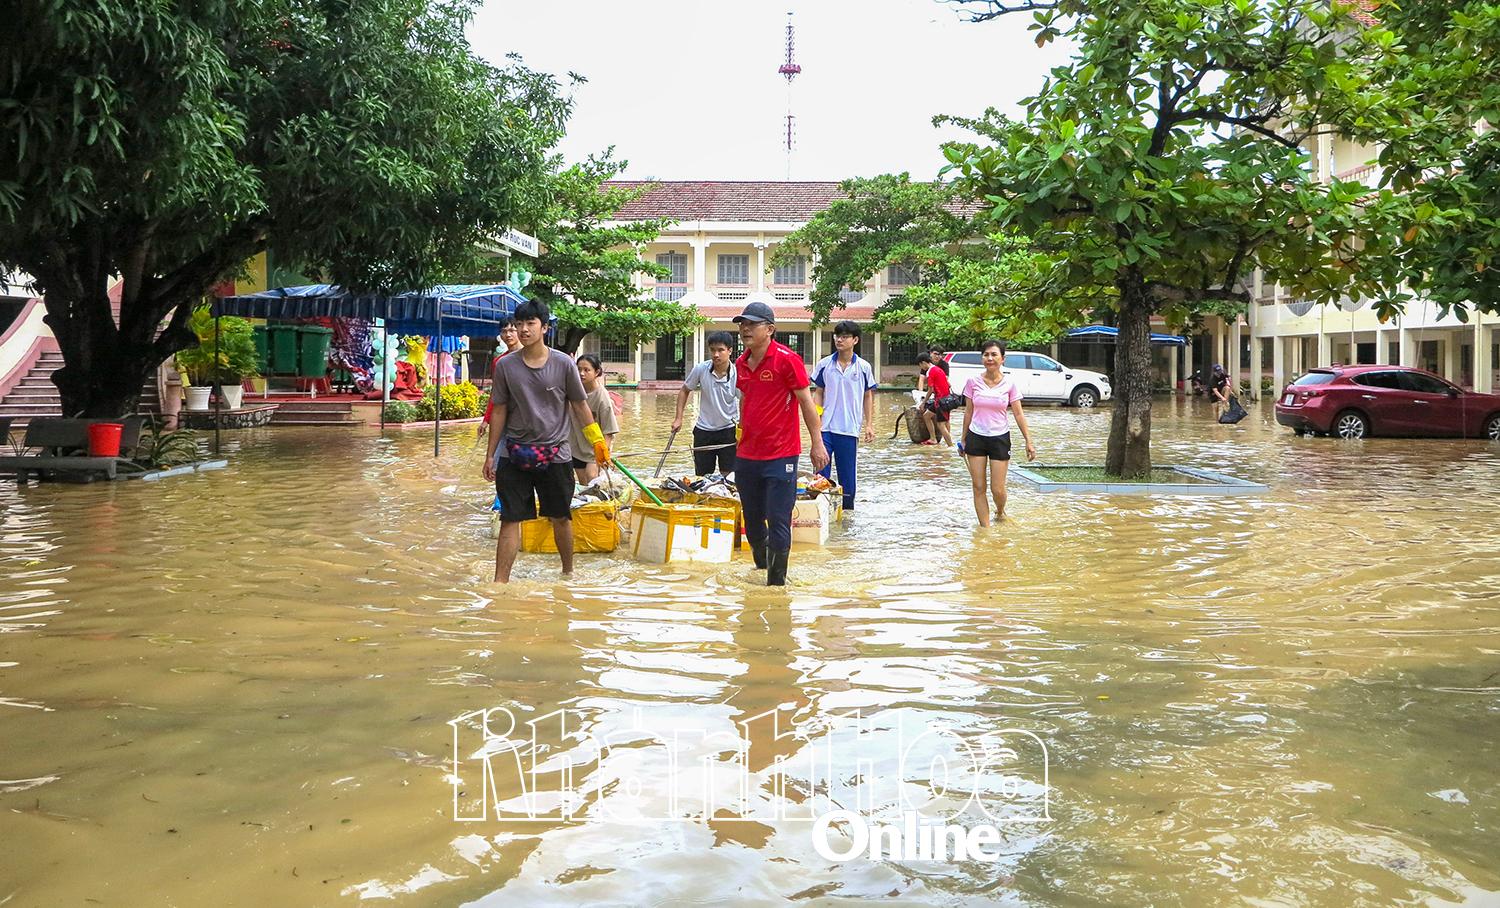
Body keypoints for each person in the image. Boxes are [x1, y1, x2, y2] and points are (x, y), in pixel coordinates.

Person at [482, 300, 613, 583]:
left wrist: (598, 443)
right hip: (514, 452)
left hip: (556, 453)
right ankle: (499, 583)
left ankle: (568, 573)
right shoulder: (505, 366)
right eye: (520, 324)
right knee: (509, 518)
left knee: (561, 516)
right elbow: (500, 410)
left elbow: (580, 406)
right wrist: (491, 454)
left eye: (531, 323)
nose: (524, 329)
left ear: (544, 327)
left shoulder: (564, 363)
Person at [733, 301, 830, 586]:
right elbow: (746, 400)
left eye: (752, 324)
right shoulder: (740, 363)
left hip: (781, 455)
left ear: (770, 329)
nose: (745, 329)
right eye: (742, 324)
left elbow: (806, 403)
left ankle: (776, 585)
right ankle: (761, 571)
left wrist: (817, 443)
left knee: (777, 518)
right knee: (751, 521)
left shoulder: (787, 360)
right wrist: (739, 432)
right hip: (748, 454)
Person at [960, 339, 1036, 526]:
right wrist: (963, 439)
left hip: (1000, 438)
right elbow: (968, 411)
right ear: (982, 359)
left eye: (994, 354)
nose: (990, 358)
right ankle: (985, 531)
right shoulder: (972, 382)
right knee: (978, 487)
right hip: (976, 436)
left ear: (1003, 359)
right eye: (986, 354)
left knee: (997, 489)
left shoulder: (1010, 384)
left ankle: (1000, 511)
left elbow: (1018, 413)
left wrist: (1029, 441)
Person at [811, 320, 876, 511]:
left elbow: (867, 396)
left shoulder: (863, 367)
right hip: (825, 429)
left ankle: (847, 516)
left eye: (845, 336)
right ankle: (821, 514)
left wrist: (869, 425)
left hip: (849, 429)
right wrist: (817, 418)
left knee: (848, 478)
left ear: (855, 340)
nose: (840, 340)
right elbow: (819, 392)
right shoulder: (824, 365)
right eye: (837, 336)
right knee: (820, 477)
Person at [672, 331, 740, 475]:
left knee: (729, 476)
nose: (716, 354)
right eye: (713, 350)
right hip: (704, 431)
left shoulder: (738, 373)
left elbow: (746, 401)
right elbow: (684, 390)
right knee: (702, 476)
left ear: (730, 351)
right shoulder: (701, 369)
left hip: (728, 431)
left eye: (720, 350)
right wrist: (679, 418)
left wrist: (743, 429)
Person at [569, 353, 620, 485]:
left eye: (587, 370)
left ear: (597, 372)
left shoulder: (602, 398)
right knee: (583, 483)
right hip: (576, 446)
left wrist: (604, 453)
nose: (581, 373)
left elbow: (609, 431)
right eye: (579, 369)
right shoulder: (572, 391)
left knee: (592, 477)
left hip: (595, 448)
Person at [478, 318, 523, 437]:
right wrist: (486, 420)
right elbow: (495, 393)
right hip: (503, 415)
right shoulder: (499, 362)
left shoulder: (529, 357)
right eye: (504, 331)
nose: (508, 334)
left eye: (512, 330)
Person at [918, 351, 955, 446]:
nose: (921, 368)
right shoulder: (938, 369)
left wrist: (923, 402)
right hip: (944, 399)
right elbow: (948, 384)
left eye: (920, 365)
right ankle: (933, 438)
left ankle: (950, 446)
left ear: (923, 363)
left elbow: (930, 389)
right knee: (927, 416)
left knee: (941, 424)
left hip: (941, 401)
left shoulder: (930, 371)